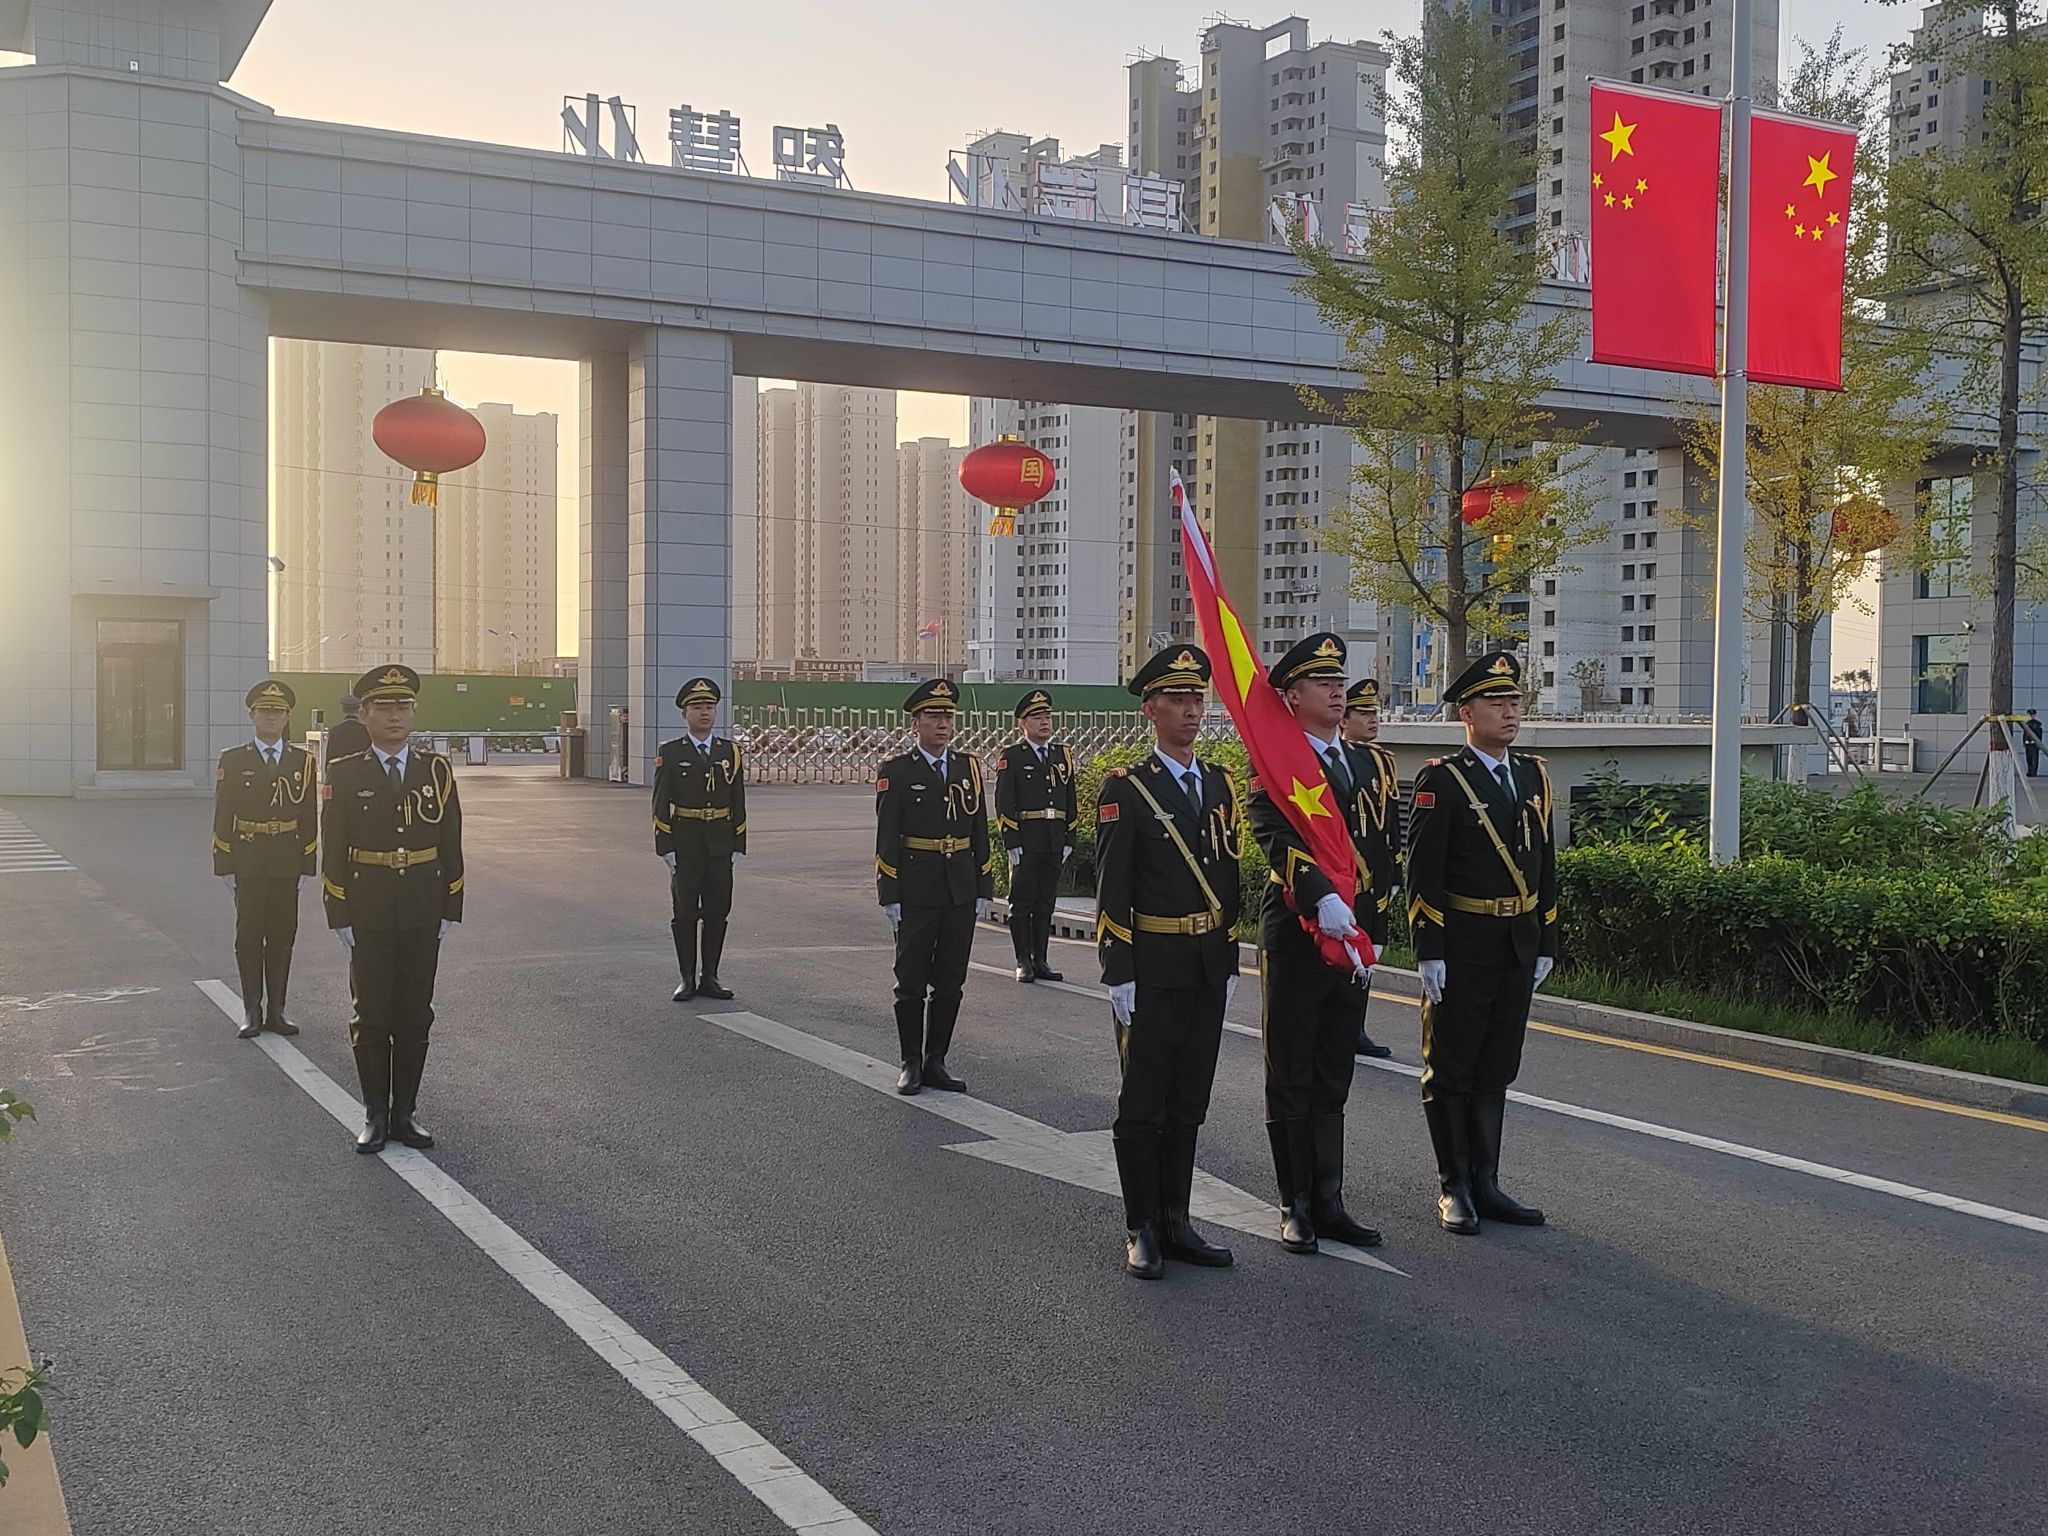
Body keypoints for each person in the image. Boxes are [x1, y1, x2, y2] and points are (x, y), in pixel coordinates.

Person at [1095, 645, 1243, 1279]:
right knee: (1143, 1101)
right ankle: (1143, 1227)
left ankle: (1178, 1221)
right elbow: (1112, 887)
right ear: (1150, 709)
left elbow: (1228, 878)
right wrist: (1118, 969)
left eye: (1196, 699)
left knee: (1189, 1098)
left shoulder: (1219, 784)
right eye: (1177, 700)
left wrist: (1229, 956)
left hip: (1206, 961)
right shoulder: (1127, 789)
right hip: (1152, 964)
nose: (1191, 710)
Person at [1405, 651, 1557, 1235]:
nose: (1510, 712)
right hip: (1463, 944)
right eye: (1496, 703)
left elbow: (1546, 864)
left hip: (1515, 943)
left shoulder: (1533, 775)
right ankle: (1455, 1186)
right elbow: (1424, 872)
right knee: (1451, 1067)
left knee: (1496, 1066)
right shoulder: (1443, 781)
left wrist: (1547, 938)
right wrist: (1429, 949)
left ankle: (1487, 1183)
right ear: (1466, 713)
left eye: (1515, 701)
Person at [1246, 632, 1383, 1254]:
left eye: (1339, 682)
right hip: (1299, 933)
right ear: (1292, 696)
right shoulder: (1275, 764)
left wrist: (1372, 927)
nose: (1337, 692)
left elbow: (1375, 852)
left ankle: (1329, 1200)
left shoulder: (1360, 764)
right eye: (1322, 683)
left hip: (1351, 938)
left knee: (1334, 1069)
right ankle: (1294, 1202)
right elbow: (1273, 836)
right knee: (1292, 1069)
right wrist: (1319, 895)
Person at [322, 664, 464, 1155]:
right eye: (384, 707)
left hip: (422, 906)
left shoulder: (435, 770)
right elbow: (333, 848)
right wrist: (338, 911)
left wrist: (451, 904)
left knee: (415, 1014)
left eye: (403, 706)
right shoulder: (345, 773)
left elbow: (451, 840)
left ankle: (405, 1112)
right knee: (371, 1014)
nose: (395, 716)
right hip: (369, 908)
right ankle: (375, 1116)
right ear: (364, 714)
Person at [874, 679, 992, 1096]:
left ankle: (936, 1060)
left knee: (950, 978)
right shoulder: (897, 771)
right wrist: (889, 892)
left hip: (959, 886)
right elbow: (887, 836)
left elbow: (979, 830)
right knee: (910, 978)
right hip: (916, 886)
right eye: (934, 717)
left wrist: (984, 883)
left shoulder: (967, 767)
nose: (943, 724)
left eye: (947, 716)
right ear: (916, 723)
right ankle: (910, 1061)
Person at [212, 679, 317, 1039]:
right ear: (252, 716)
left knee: (283, 936)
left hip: (287, 858)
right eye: (264, 711)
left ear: (287, 716)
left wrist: (308, 864)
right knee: (249, 936)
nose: (271, 717)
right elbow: (223, 814)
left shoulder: (303, 761)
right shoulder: (233, 759)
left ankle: (278, 1010)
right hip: (249, 858)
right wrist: (224, 864)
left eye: (278, 711)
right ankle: (251, 1009)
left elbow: (309, 816)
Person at [653, 677, 747, 1002]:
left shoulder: (730, 752)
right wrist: (665, 846)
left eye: (709, 707)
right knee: (685, 914)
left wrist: (739, 842)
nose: (705, 713)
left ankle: (711, 977)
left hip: (720, 844)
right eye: (697, 707)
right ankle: (687, 978)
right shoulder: (670, 752)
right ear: (685, 714)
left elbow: (738, 800)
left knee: (717, 912)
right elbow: (660, 803)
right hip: (686, 843)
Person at [994, 688, 1079, 983]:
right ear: (1023, 723)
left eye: (1047, 717)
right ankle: (1023, 960)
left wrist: (1070, 838)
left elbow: (1070, 799)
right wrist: (1011, 840)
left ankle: (1041, 959)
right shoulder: (1013, 756)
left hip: (1054, 838)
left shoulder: (1061, 755)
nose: (1044, 722)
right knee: (1021, 902)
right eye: (1037, 717)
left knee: (1045, 902)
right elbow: (1004, 801)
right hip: (1027, 839)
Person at [1339, 677, 1399, 1061]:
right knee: (1343, 951)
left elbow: (1390, 823)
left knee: (1367, 954)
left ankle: (1356, 1027)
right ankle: (1341, 1026)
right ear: (1344, 720)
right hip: (1346, 876)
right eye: (1363, 713)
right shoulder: (1338, 759)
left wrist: (1394, 873)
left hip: (1375, 878)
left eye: (1374, 712)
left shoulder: (1381, 761)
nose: (1372, 719)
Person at [326, 693, 370, 764]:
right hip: (361, 769)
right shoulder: (366, 730)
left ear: (343, 710)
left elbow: (329, 758)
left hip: (340, 769)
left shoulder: (334, 731)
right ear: (359, 709)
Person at [2025, 709, 2042, 777]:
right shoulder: (2027, 724)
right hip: (2028, 744)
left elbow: (2039, 735)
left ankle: (2033, 772)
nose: (2031, 716)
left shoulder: (2037, 724)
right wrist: (2024, 742)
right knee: (2028, 758)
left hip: (2034, 744)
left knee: (2034, 758)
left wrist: (2038, 743)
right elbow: (2025, 734)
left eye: (2032, 715)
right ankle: (2030, 771)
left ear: (2034, 715)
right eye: (2030, 715)